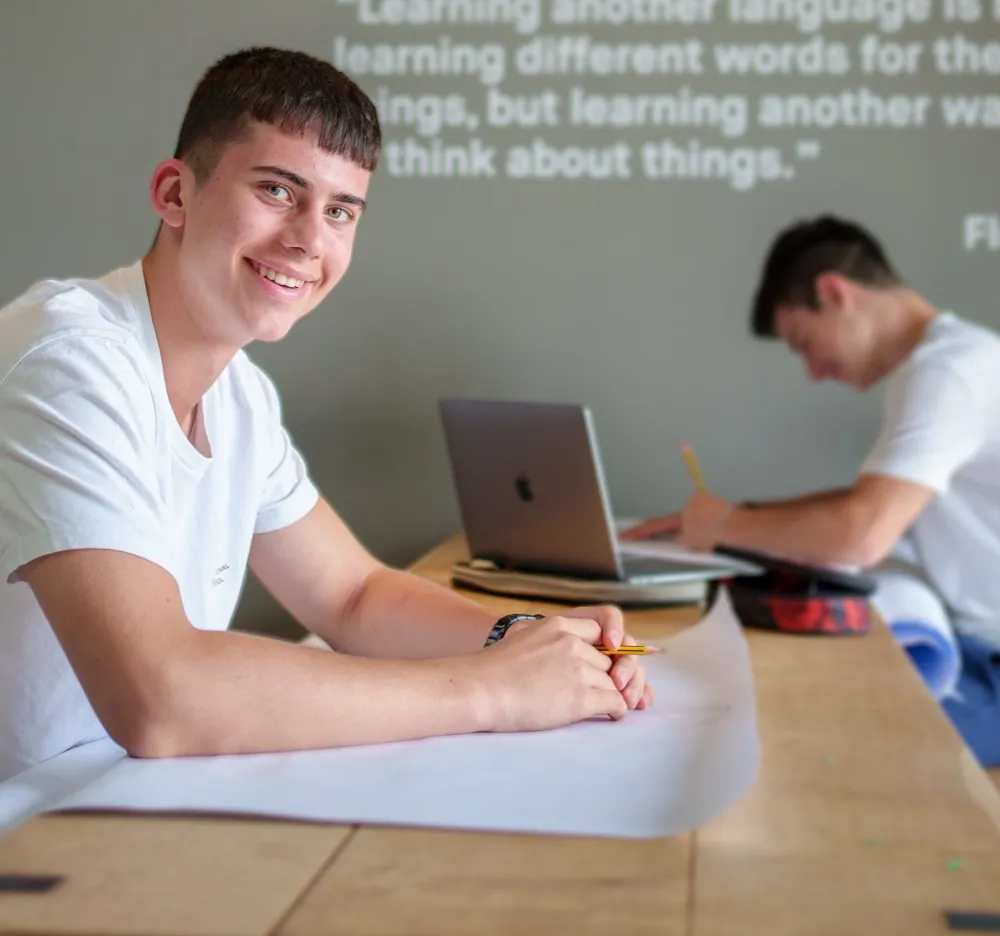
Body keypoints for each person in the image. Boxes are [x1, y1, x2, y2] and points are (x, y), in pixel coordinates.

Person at [0, 46, 651, 783]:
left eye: (340, 211)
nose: (310, 239)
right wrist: (494, 690)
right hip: (29, 826)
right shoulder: (66, 364)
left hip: (100, 805)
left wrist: (527, 637)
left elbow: (352, 596)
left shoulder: (239, 395)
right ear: (175, 194)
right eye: (278, 190)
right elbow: (160, 698)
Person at [625, 214, 1000, 765]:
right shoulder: (959, 360)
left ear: (834, 293)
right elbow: (869, 502)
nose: (814, 372)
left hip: (988, 661)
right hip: (975, 640)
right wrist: (735, 516)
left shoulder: (947, 375)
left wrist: (724, 527)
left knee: (807, 737)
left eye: (803, 342)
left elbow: (862, 533)